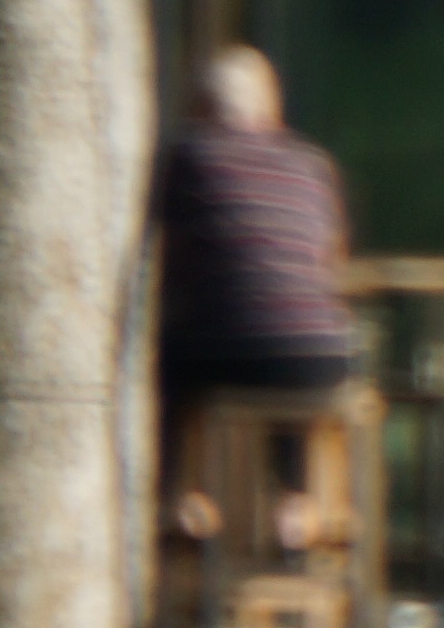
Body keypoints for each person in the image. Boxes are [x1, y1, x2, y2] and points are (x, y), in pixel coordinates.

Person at [152, 46, 361, 549]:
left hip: (229, 350)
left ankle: (178, 500)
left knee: (167, 363)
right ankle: (292, 505)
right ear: (272, 108)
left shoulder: (187, 154)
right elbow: (331, 257)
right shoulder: (312, 163)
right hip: (323, 355)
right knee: (283, 335)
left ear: (199, 106)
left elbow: (161, 245)